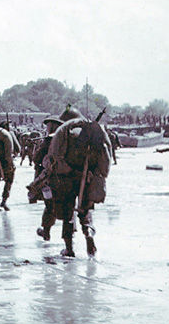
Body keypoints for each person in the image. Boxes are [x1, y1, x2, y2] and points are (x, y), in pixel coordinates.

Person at [37, 108, 112, 257]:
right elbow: (105, 159)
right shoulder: (93, 133)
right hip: (88, 178)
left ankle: (69, 248)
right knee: (86, 211)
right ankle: (89, 235)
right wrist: (96, 176)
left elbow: (54, 158)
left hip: (66, 178)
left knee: (67, 213)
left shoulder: (64, 133)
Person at [28, 115, 63, 239]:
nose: (47, 127)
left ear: (53, 126)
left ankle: (46, 232)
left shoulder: (49, 140)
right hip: (66, 177)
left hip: (50, 179)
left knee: (49, 205)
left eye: (48, 125)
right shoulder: (66, 139)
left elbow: (37, 158)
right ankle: (69, 236)